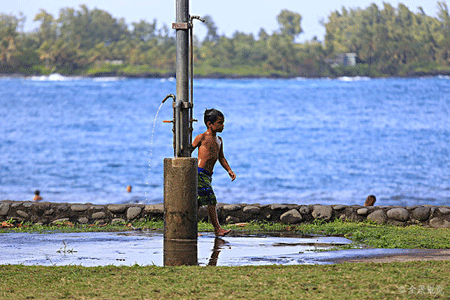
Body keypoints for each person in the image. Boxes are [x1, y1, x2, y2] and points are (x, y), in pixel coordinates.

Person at [192, 108, 236, 236]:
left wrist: (229, 170)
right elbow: (189, 150)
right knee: (211, 200)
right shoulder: (202, 137)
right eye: (219, 123)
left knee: (198, 203)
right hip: (199, 173)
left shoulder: (219, 140)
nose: (222, 125)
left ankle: (191, 228)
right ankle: (217, 229)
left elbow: (221, 157)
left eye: (223, 123)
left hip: (208, 175)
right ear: (209, 124)